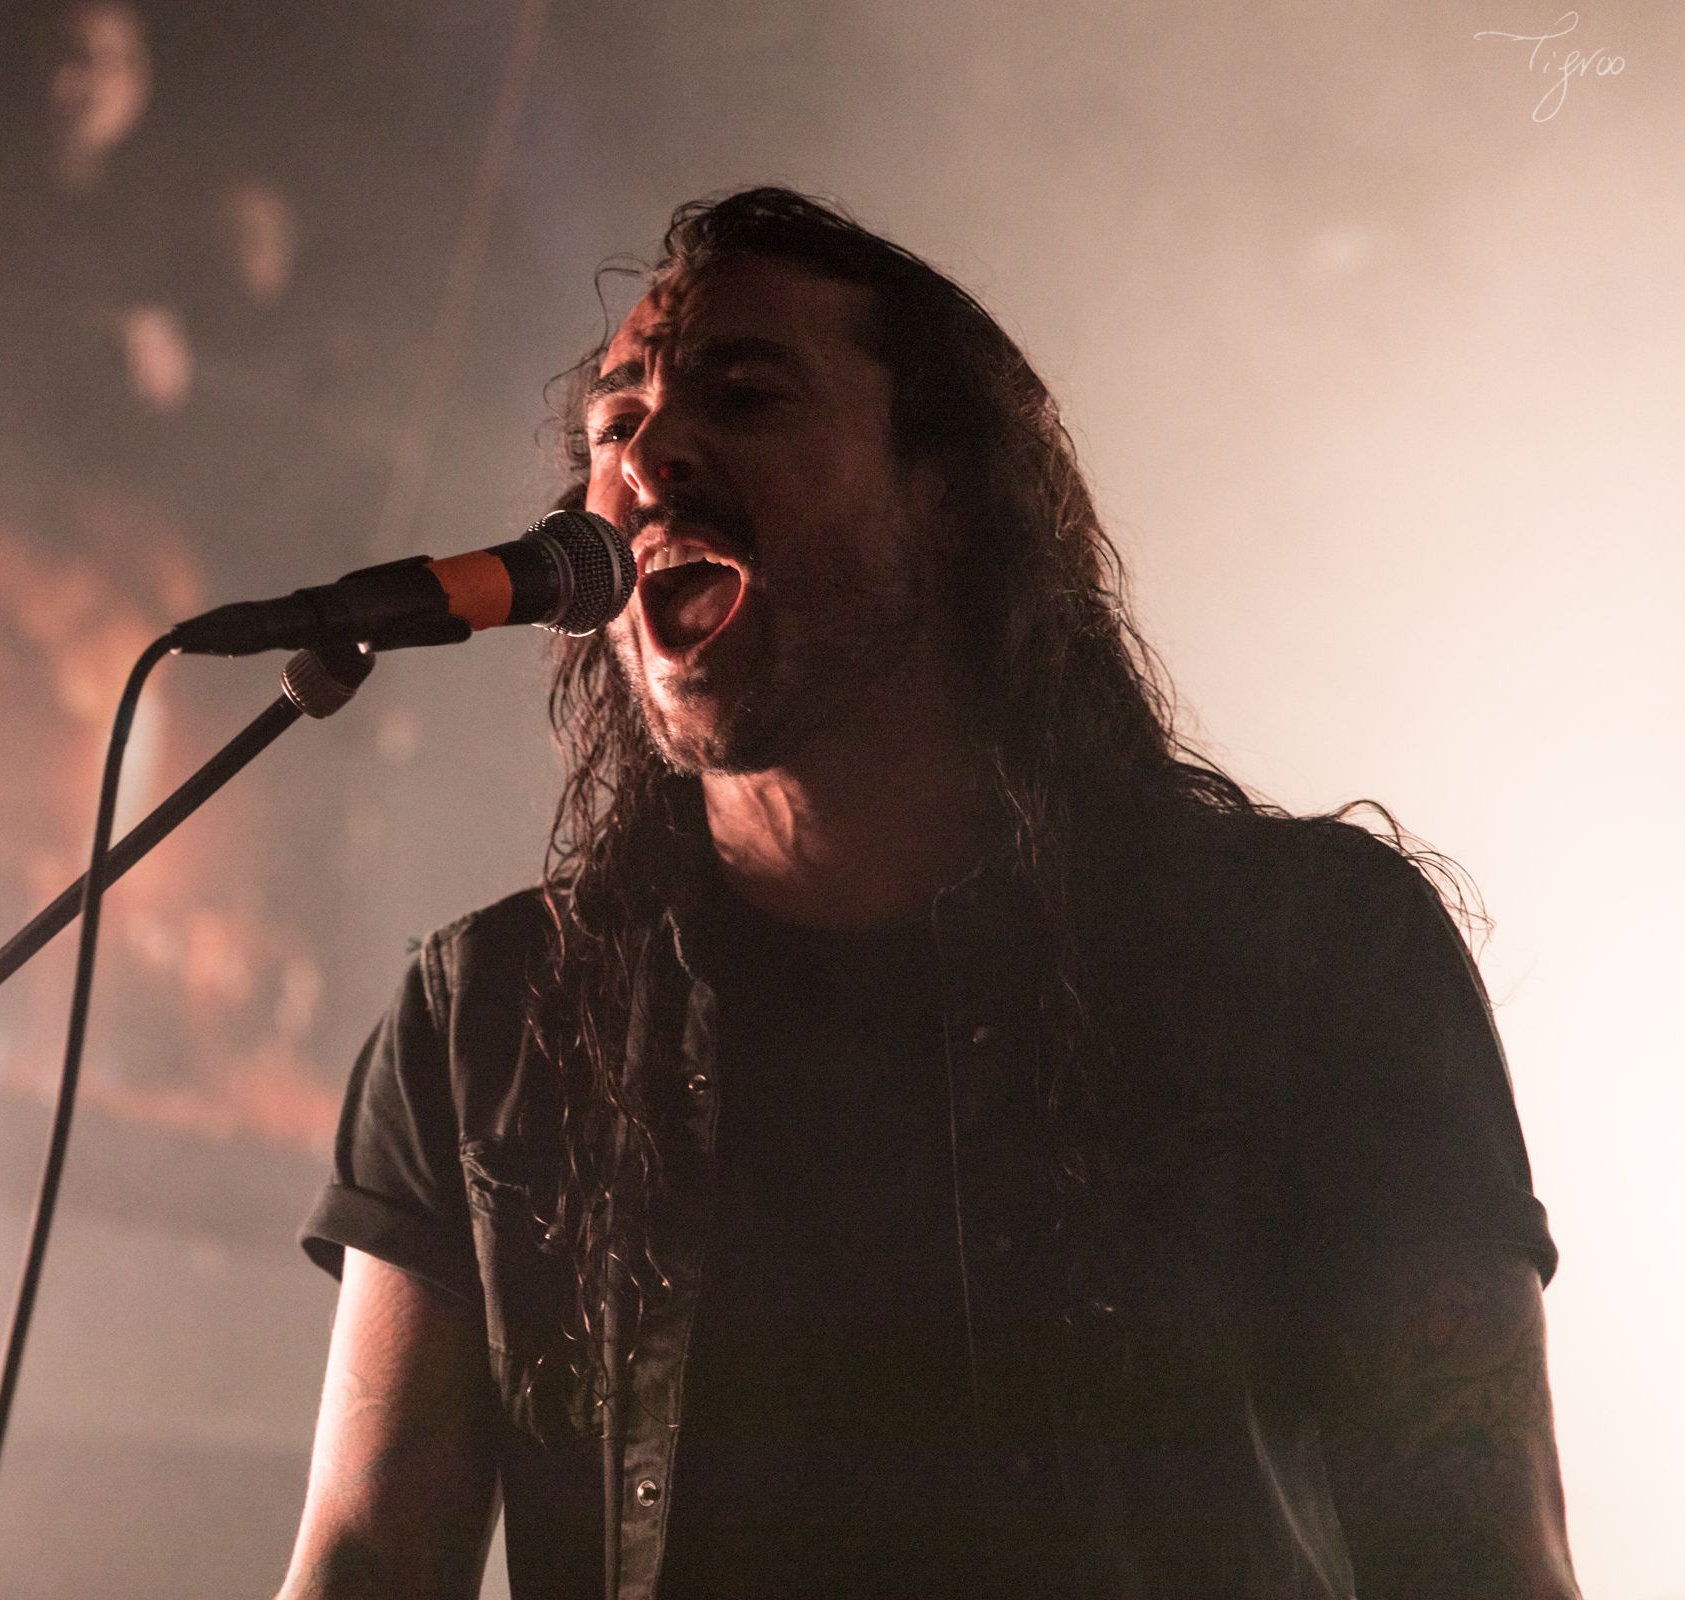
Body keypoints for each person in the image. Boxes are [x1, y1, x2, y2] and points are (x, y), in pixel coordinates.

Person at [275, 188, 1577, 1600]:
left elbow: (1478, 1559)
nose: (649, 454)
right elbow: (365, 1562)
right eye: (616, 421)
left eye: (747, 392)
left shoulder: (1311, 956)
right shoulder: (491, 1023)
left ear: (949, 499)